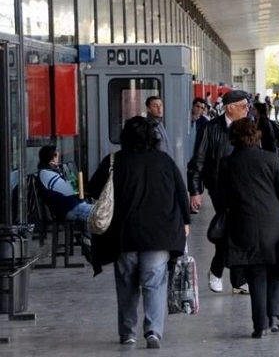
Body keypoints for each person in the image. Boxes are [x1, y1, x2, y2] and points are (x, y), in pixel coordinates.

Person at [86, 116, 190, 349]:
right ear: (153, 137)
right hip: (159, 234)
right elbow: (181, 194)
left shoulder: (114, 161)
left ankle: (128, 333)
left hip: (124, 234)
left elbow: (93, 189)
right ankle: (153, 332)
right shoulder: (164, 161)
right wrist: (185, 221)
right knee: (154, 283)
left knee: (126, 284)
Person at [220, 118, 279, 338]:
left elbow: (222, 197)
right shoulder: (270, 159)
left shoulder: (228, 164)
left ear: (233, 138)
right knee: (275, 270)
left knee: (255, 274)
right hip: (272, 222)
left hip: (243, 223)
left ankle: (259, 325)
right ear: (256, 135)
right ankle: (275, 318)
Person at [186, 89, 251, 294]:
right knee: (233, 228)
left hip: (244, 187)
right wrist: (195, 191)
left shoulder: (249, 127)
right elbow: (197, 162)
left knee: (236, 231)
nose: (247, 109)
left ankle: (230, 277)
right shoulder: (210, 129)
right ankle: (223, 274)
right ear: (230, 108)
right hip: (219, 188)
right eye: (243, 106)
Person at [37, 145, 92, 222]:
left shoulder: (47, 172)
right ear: (51, 160)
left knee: (103, 212)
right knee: (102, 214)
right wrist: (70, 181)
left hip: (71, 206)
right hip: (69, 208)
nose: (59, 160)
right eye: (57, 157)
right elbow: (69, 191)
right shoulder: (46, 174)